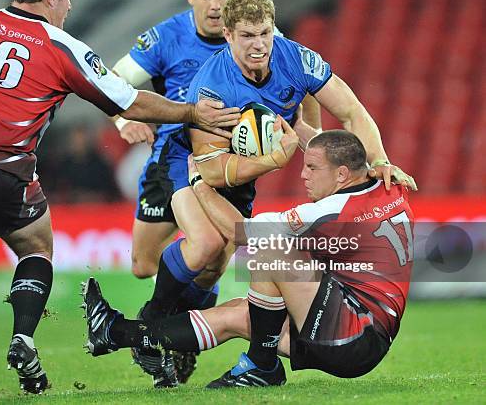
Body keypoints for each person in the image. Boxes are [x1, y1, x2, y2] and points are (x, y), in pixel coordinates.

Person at [0, 0, 240, 401]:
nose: (68, 7)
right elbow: (126, 99)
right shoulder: (61, 45)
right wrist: (188, 112)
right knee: (37, 246)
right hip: (2, 166)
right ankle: (26, 339)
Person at [128, 0, 416, 387]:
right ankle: (153, 321)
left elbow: (352, 111)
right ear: (228, 36)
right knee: (205, 245)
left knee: (216, 268)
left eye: (264, 32)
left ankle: (184, 340)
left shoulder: (295, 57)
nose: (259, 44)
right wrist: (275, 159)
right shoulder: (212, 87)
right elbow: (211, 172)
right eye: (247, 36)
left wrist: (379, 160)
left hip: (243, 168)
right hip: (189, 160)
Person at [111, 0, 321, 386]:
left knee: (213, 254)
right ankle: (160, 327)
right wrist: (123, 120)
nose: (214, 4)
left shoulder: (260, 37)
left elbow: (303, 80)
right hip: (176, 153)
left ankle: (172, 342)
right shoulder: (166, 37)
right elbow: (115, 79)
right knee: (141, 264)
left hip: (231, 164)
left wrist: (305, 126)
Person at [84, 129, 415, 388]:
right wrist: (382, 164)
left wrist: (200, 185)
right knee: (237, 314)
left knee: (272, 248)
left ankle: (260, 364)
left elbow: (241, 233)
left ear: (343, 175)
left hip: (352, 332)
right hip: (357, 329)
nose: (304, 176)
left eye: (312, 168)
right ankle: (116, 331)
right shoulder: (389, 186)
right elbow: (366, 167)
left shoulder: (334, 210)